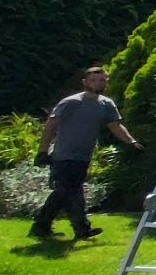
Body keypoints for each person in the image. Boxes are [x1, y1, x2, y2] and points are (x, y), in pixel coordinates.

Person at [31, 65, 143, 239]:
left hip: (83, 156)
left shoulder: (106, 104)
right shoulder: (71, 102)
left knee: (65, 192)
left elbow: (115, 126)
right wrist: (42, 151)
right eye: (94, 80)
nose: (98, 83)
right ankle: (81, 228)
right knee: (70, 191)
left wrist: (131, 141)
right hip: (63, 155)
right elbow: (50, 126)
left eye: (102, 80)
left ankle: (42, 226)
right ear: (85, 82)